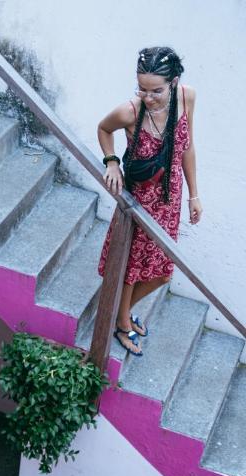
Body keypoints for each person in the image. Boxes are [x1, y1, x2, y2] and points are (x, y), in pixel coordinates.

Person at [97, 46, 202, 357]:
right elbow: (104, 129)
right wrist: (112, 162)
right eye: (142, 88)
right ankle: (121, 321)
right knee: (132, 267)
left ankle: (122, 313)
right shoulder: (130, 111)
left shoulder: (187, 97)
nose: (148, 96)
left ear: (174, 81)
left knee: (161, 272)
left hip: (170, 199)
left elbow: (187, 147)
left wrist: (194, 195)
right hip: (139, 201)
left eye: (156, 90)